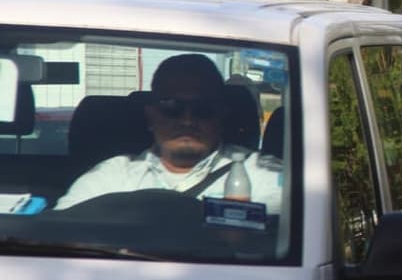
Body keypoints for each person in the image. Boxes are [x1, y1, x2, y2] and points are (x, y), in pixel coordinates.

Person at [55, 53, 281, 212]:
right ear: (151, 116)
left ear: (221, 116)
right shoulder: (112, 176)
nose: (187, 120)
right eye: (172, 107)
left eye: (203, 109)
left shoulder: (262, 173)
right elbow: (61, 232)